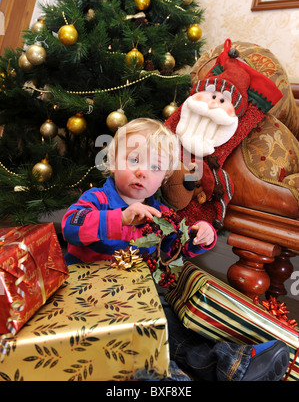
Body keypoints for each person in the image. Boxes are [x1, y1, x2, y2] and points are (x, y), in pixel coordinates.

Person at [62, 118, 289, 381]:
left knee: (173, 323)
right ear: (112, 163)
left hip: (139, 298)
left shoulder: (162, 214)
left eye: (155, 167)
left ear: (164, 178)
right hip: (89, 298)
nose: (142, 172)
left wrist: (199, 237)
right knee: (144, 338)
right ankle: (172, 378)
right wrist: (120, 218)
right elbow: (71, 227)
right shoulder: (96, 200)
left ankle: (233, 365)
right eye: (133, 160)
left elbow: (173, 251)